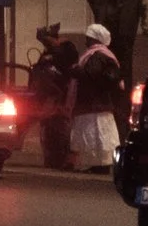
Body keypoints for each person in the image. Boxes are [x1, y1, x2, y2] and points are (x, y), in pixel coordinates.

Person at [70, 23, 124, 171]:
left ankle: (98, 165)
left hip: (93, 105)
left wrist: (75, 70)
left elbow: (90, 75)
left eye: (89, 38)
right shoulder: (103, 55)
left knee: (94, 137)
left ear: (95, 39)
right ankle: (98, 164)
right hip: (98, 105)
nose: (86, 41)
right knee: (99, 137)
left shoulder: (97, 55)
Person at [27, 25, 72, 169]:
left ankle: (61, 159)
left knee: (59, 128)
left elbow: (66, 72)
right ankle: (51, 158)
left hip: (60, 96)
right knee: (47, 127)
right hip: (47, 97)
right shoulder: (49, 52)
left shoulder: (65, 49)